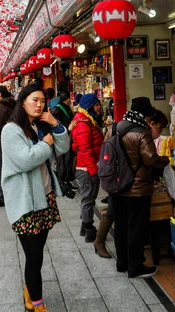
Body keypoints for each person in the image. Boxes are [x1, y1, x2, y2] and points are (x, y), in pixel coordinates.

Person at [1, 83, 70, 312]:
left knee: (38, 251)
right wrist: (45, 143)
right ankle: (37, 304)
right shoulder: (11, 130)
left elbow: (62, 148)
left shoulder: (38, 125)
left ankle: (29, 290)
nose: (39, 105)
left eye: (42, 100)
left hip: (45, 196)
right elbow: (26, 160)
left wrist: (55, 125)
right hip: (25, 202)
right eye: (34, 100)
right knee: (34, 256)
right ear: (23, 102)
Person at [93, 105, 169, 259]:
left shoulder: (117, 127)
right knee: (118, 215)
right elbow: (149, 159)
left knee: (118, 217)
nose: (159, 133)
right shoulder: (141, 133)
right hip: (127, 182)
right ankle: (101, 243)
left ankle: (119, 257)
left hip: (116, 178)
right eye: (159, 128)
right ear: (150, 121)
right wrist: (164, 160)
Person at [70, 93, 104, 243]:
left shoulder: (87, 121)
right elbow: (86, 150)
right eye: (96, 105)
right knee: (88, 198)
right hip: (85, 168)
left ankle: (85, 226)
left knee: (88, 197)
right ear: (89, 107)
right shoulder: (83, 124)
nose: (99, 108)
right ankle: (89, 229)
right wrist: (93, 171)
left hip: (88, 165)